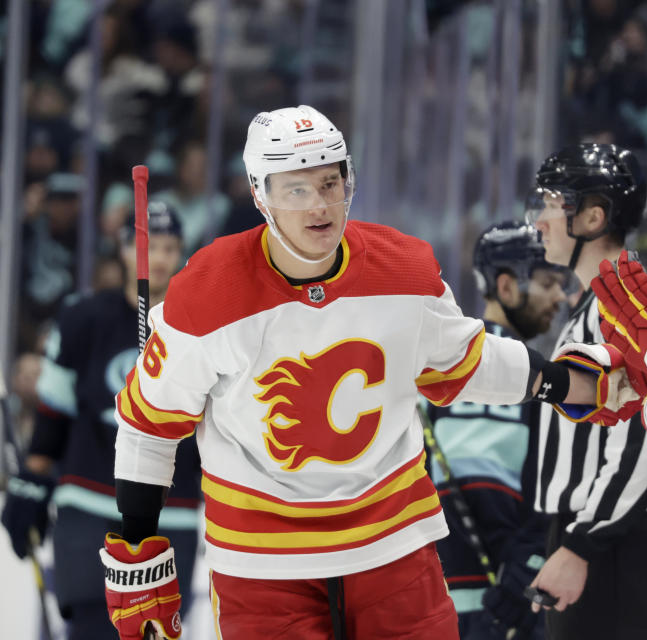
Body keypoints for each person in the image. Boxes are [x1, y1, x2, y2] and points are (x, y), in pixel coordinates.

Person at [98, 105, 609, 640]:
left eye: (330, 182)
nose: (321, 205)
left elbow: (468, 359)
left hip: (394, 547)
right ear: (260, 194)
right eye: (297, 189)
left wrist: (572, 382)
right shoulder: (207, 292)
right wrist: (136, 544)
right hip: (265, 564)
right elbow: (150, 424)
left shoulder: (405, 268)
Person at [2, 203, 202, 640]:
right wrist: (32, 480)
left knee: (157, 631)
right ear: (125, 249)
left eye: (170, 247)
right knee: (93, 629)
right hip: (88, 506)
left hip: (173, 511)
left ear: (183, 251)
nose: (160, 259)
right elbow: (55, 411)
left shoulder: (200, 327)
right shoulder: (81, 318)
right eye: (150, 247)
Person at [524, 143, 647, 639]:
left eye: (552, 204)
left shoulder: (627, 308)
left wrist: (581, 546)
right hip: (605, 537)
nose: (538, 221)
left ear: (593, 217)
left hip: (622, 547)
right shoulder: (600, 305)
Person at [426, 221, 566, 639]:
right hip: (513, 612)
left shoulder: (432, 372)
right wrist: (521, 581)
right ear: (506, 287)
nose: (559, 295)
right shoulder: (544, 381)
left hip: (434, 606)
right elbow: (552, 493)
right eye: (547, 282)